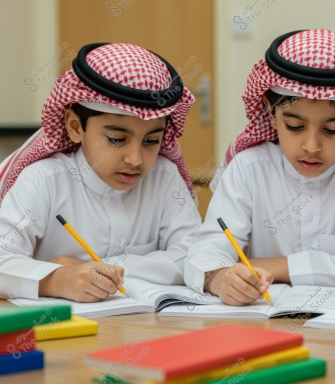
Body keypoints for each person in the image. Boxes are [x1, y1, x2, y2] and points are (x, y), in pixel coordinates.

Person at [185, 29, 335, 306]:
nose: (312, 146)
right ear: (270, 113)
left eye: (331, 130)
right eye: (294, 127)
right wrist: (221, 279)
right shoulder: (249, 167)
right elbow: (204, 252)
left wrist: (272, 266)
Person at [0, 42, 202, 302]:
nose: (135, 159)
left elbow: (194, 255)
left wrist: (103, 269)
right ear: (75, 126)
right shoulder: (43, 181)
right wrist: (58, 279)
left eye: (151, 141)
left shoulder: (164, 178)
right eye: (117, 139)